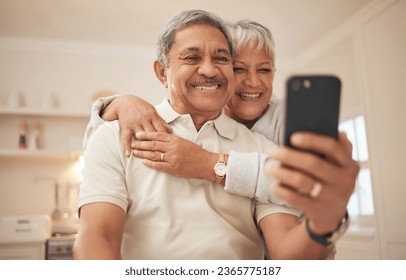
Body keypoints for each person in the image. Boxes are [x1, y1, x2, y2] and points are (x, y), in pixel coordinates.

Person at [75, 10, 358, 260]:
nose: (209, 69)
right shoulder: (116, 135)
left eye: (221, 58)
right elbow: (97, 238)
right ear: (163, 72)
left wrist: (324, 221)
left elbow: (286, 253)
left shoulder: (263, 147)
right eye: (192, 57)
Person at [84, 20, 287, 203]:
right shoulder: (166, 121)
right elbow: (99, 152)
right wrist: (118, 104)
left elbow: (306, 187)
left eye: (264, 70)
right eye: (238, 69)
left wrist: (207, 163)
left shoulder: (282, 121)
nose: (252, 82)